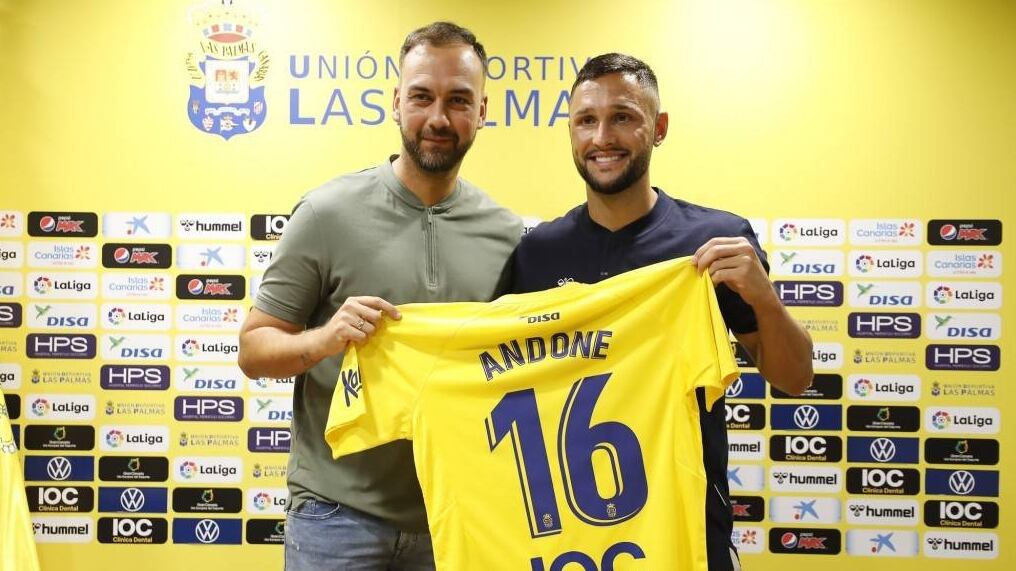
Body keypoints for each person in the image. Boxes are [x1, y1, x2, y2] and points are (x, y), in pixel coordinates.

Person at [509, 53, 814, 571]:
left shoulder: (713, 240)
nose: (602, 136)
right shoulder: (538, 252)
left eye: (623, 117)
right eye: (586, 120)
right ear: (570, 131)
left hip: (687, 529)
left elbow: (795, 377)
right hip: (566, 535)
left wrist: (764, 299)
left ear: (659, 128)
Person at [238, 22, 521, 571]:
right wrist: (325, 339)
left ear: (482, 111)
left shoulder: (507, 235)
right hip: (334, 515)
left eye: (458, 100)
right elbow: (254, 350)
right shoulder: (327, 213)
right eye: (421, 96)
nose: (438, 118)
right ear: (395, 102)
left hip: (455, 516)